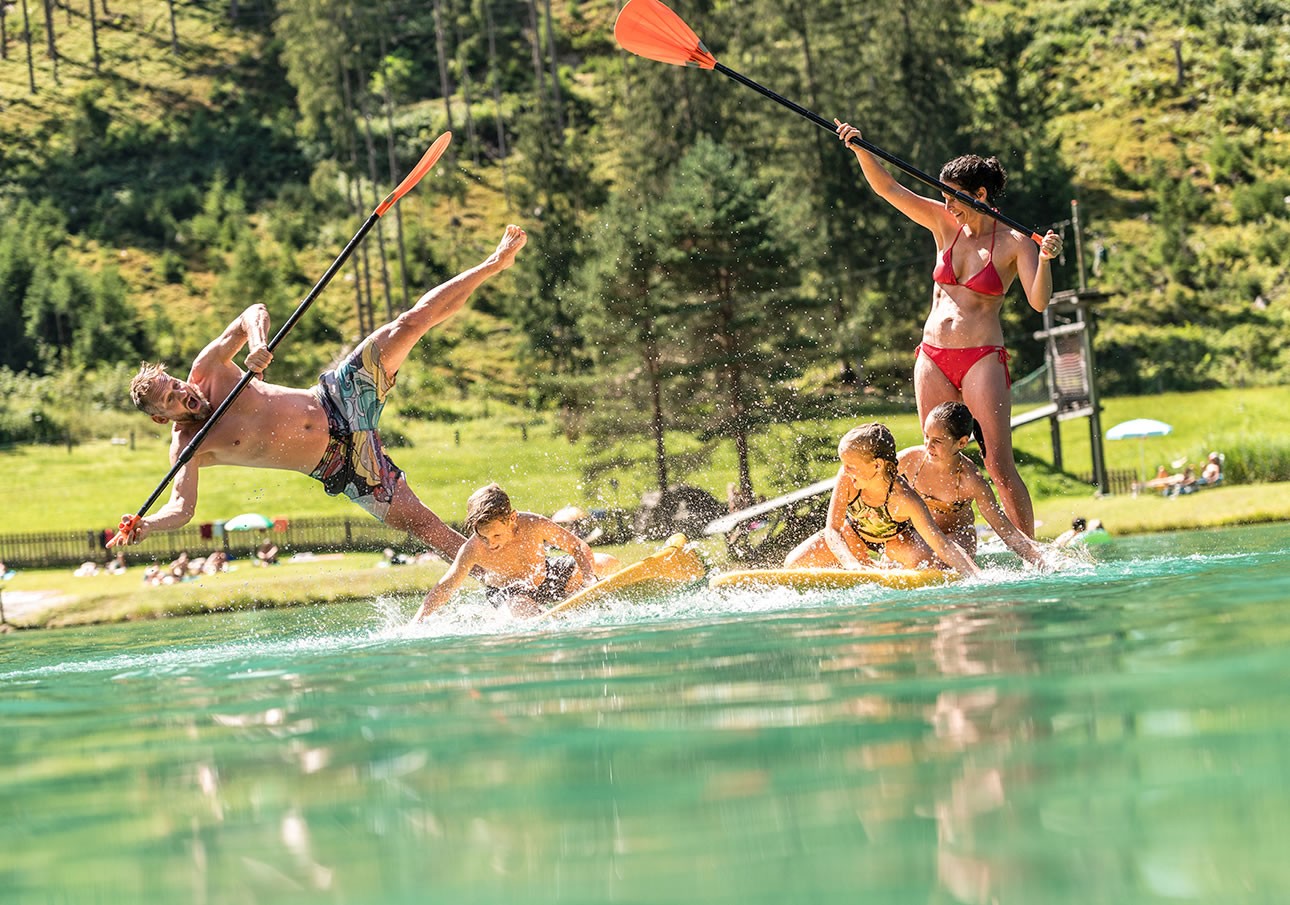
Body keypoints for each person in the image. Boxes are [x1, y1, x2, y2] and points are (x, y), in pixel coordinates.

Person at [111, 226, 528, 560]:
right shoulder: (188, 448)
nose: (183, 392)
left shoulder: (208, 369)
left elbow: (253, 313)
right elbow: (181, 508)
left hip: (338, 397)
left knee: (408, 323)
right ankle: (501, 580)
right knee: (424, 526)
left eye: (175, 385)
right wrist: (147, 526)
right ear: (160, 417)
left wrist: (257, 344)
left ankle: (494, 263)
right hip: (342, 465)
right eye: (170, 399)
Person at [835, 120, 1064, 538]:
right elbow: (890, 189)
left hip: (981, 357)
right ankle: (954, 546)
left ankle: (1030, 552)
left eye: (955, 197)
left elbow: (1038, 300)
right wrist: (860, 149)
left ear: (980, 194)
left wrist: (1045, 260)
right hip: (932, 355)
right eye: (944, 196)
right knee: (935, 458)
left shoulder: (1015, 242)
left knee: (997, 462)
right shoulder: (944, 222)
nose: (948, 204)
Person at [783, 424, 980, 577]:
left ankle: (884, 564)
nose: (845, 470)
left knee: (925, 563)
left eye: (851, 465)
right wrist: (850, 562)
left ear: (877, 464)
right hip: (855, 537)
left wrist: (976, 576)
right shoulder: (847, 477)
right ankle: (865, 564)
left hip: (897, 543)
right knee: (794, 564)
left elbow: (943, 544)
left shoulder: (904, 498)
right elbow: (832, 530)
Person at [412, 483, 621, 621]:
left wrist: (588, 579)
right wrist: (418, 622)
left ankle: (574, 594)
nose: (490, 544)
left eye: (496, 536)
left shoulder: (534, 524)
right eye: (483, 537)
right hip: (510, 592)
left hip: (546, 575)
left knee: (607, 562)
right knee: (526, 615)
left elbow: (576, 546)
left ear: (511, 518)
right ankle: (520, 613)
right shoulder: (472, 549)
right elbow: (446, 586)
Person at [898, 402, 1047, 567]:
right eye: (926, 436)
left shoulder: (971, 481)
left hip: (957, 536)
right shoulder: (911, 460)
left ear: (962, 443)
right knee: (900, 552)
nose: (928, 445)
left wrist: (1042, 562)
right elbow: (871, 476)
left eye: (937, 441)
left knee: (932, 559)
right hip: (924, 534)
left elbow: (1006, 530)